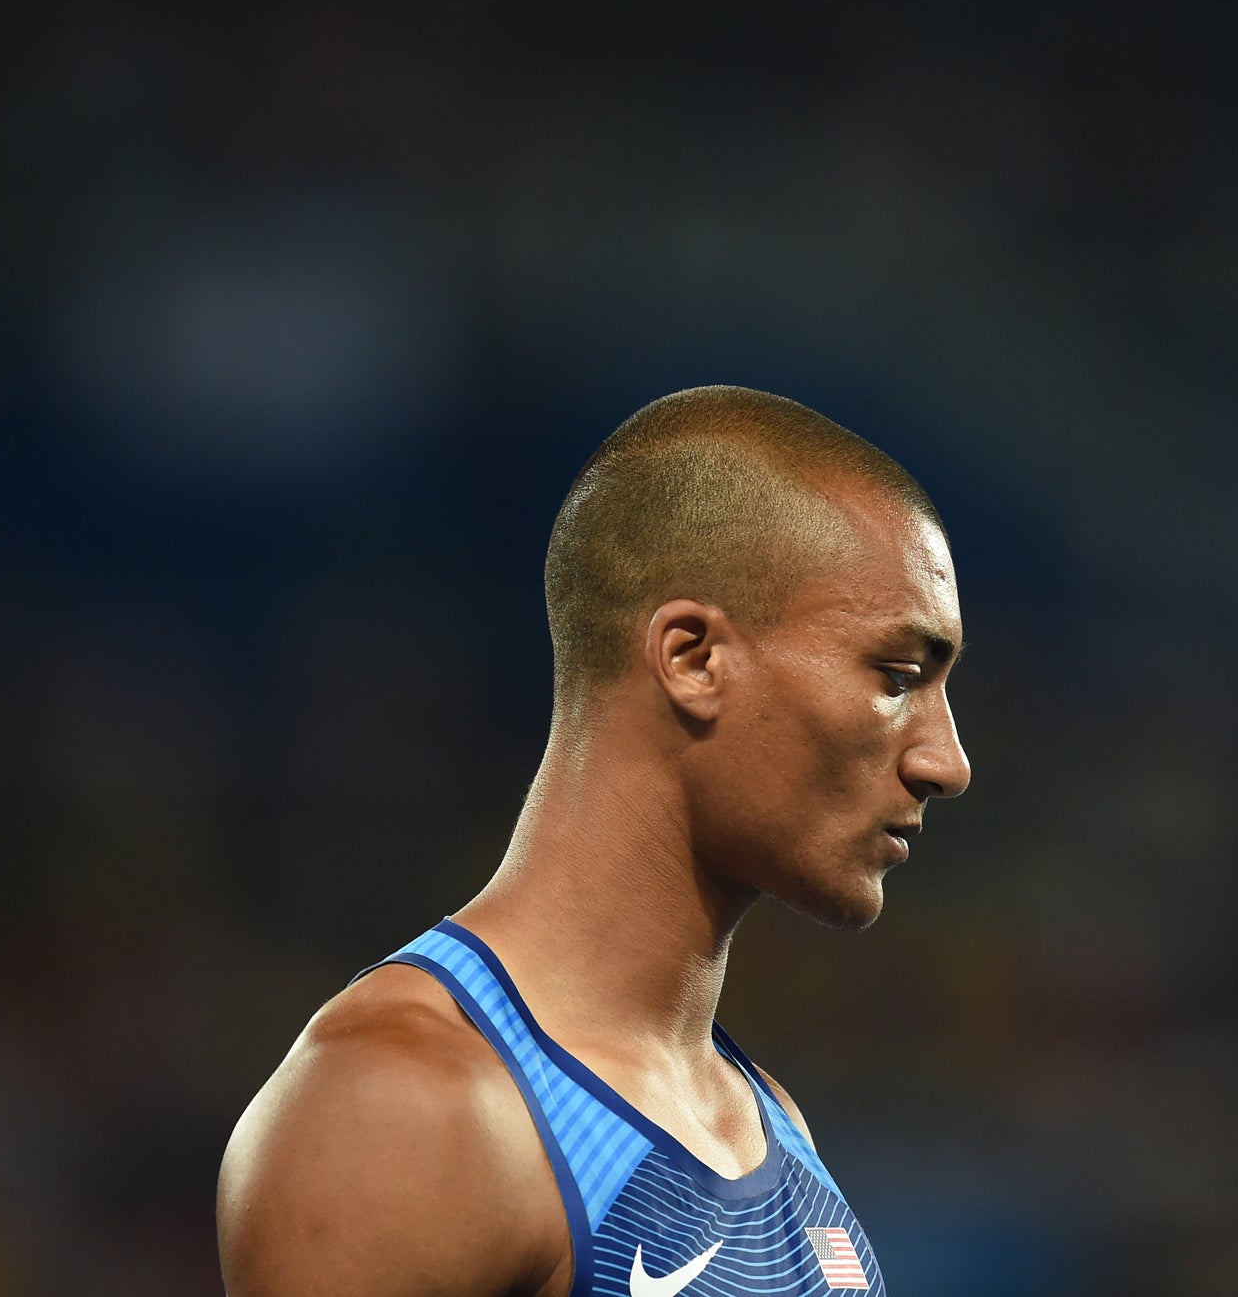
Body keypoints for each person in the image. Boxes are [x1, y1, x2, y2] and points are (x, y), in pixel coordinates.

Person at [218, 386, 971, 1297]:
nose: (948, 762)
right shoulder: (402, 1110)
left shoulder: (769, 1127)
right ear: (693, 658)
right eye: (898, 676)